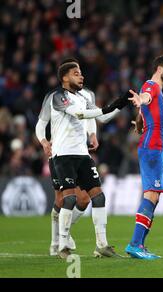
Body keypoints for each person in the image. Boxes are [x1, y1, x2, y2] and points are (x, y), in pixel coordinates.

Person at [36, 58, 125, 256]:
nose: (81, 75)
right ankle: (60, 244)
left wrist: (122, 103)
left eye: (81, 72)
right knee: (66, 200)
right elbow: (79, 115)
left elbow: (97, 116)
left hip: (82, 154)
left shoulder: (85, 96)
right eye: (76, 73)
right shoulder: (57, 97)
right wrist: (43, 142)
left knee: (97, 196)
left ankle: (102, 245)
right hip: (62, 154)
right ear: (65, 77)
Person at [125, 55, 163, 260]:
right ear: (159, 68)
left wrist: (139, 120)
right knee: (151, 195)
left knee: (155, 198)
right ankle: (135, 244)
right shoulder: (151, 85)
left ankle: (141, 245)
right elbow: (145, 97)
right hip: (153, 149)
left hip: (160, 150)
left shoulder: (161, 95)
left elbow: (146, 108)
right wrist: (140, 100)